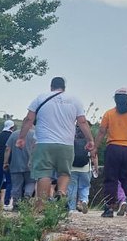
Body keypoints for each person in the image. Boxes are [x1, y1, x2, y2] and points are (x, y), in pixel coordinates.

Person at [15, 77, 94, 213]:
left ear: (51, 86)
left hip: (44, 142)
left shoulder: (40, 98)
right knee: (64, 172)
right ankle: (62, 192)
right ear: (64, 87)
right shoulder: (75, 100)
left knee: (44, 174)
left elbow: (29, 119)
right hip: (66, 144)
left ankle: (41, 206)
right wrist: (90, 140)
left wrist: (21, 137)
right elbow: (82, 122)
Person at [92, 88, 127, 218]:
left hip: (113, 148)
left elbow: (101, 132)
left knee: (111, 178)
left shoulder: (109, 114)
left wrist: (95, 148)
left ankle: (109, 208)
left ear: (115, 99)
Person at [4, 125, 37, 210]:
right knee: (30, 183)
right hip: (31, 165)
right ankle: (27, 196)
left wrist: (6, 162)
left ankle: (16, 204)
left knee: (16, 185)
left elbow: (7, 149)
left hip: (15, 164)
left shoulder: (14, 134)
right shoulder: (35, 134)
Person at [66, 124, 95, 213]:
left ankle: (71, 208)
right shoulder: (88, 140)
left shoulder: (70, 139)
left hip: (72, 167)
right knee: (85, 186)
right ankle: (84, 200)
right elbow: (93, 155)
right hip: (85, 168)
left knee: (72, 188)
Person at [0, 120, 15, 211]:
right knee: (9, 182)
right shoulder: (13, 136)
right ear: (12, 127)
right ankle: (6, 202)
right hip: (10, 162)